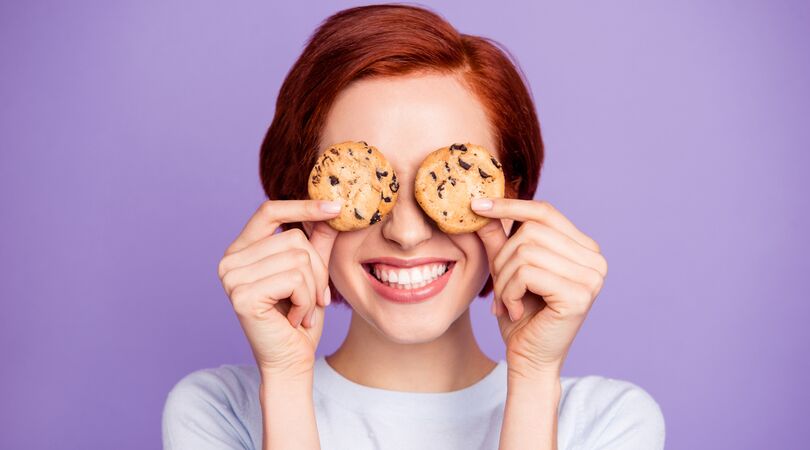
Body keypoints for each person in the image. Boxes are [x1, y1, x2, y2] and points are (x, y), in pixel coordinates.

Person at [161, 4, 665, 450]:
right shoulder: (220, 411)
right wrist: (286, 382)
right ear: (303, 198)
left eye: (447, 185)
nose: (407, 232)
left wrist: (533, 379)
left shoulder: (605, 423)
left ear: (510, 193)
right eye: (370, 186)